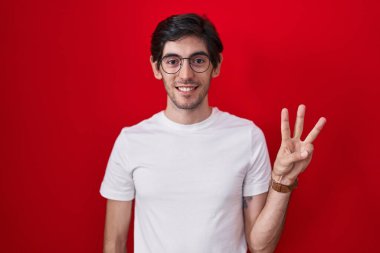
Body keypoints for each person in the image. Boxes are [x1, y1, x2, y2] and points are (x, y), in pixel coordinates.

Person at [100, 13, 326, 253]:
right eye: (172, 61)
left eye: (198, 61)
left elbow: (260, 247)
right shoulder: (131, 142)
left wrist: (283, 182)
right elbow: (114, 242)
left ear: (216, 65)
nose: (185, 74)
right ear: (156, 68)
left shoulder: (247, 137)